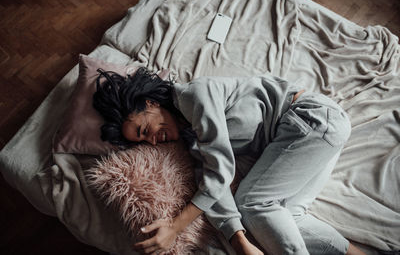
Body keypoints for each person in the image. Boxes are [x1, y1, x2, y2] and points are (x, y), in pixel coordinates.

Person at [93, 67, 366, 255]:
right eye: (143, 141)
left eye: (144, 130)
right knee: (290, 217)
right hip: (315, 137)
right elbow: (210, 181)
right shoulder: (190, 137)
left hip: (313, 119)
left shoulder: (194, 96)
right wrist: (239, 239)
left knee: (252, 204)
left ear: (151, 103)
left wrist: (176, 227)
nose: (152, 140)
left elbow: (220, 169)